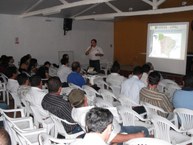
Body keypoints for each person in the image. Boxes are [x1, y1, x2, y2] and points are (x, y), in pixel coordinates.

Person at [69, 89, 148, 144]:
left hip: (115, 129)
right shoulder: (91, 115)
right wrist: (136, 136)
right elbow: (111, 138)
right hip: (119, 132)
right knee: (144, 130)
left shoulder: (74, 112)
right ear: (85, 99)